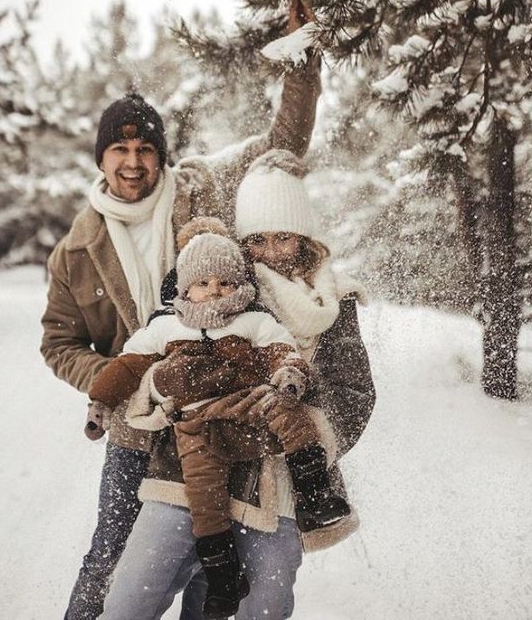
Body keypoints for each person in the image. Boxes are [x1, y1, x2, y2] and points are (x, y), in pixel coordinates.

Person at [41, 0, 321, 620]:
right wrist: (125, 383)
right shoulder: (77, 251)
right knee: (111, 558)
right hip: (139, 425)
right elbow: (58, 344)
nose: (134, 162)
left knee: (209, 563)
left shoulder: (204, 188)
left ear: (162, 155)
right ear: (101, 159)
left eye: (145, 150)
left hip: (218, 413)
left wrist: (301, 61)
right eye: (120, 150)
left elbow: (282, 143)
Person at [99, 149, 375, 620]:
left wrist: (287, 421)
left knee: (263, 606)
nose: (270, 251)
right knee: (131, 597)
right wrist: (176, 389)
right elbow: (158, 352)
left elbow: (355, 393)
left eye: (283, 238)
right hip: (189, 468)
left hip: (279, 475)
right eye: (258, 239)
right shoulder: (215, 280)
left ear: (304, 240)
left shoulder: (334, 302)